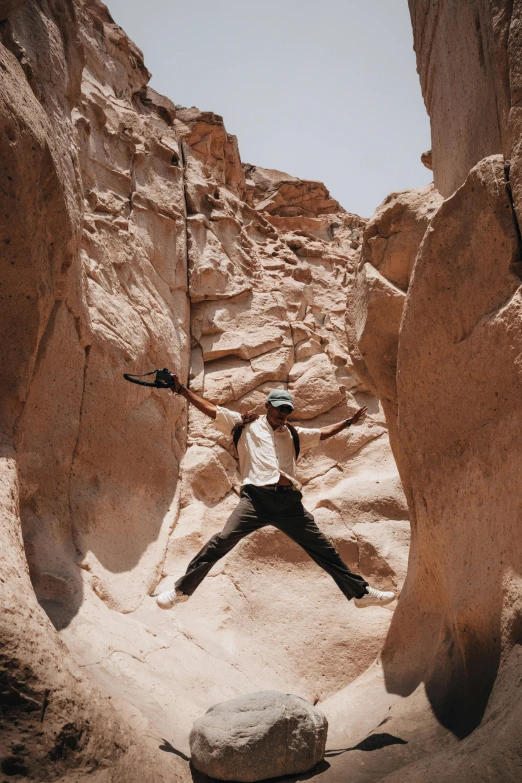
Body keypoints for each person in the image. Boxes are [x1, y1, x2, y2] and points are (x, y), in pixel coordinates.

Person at [155, 378, 395, 610]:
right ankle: (181, 591)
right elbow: (212, 410)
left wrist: (348, 423)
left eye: (287, 410)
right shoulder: (245, 424)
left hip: (289, 503)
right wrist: (181, 389)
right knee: (222, 540)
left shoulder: (291, 433)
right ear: (267, 406)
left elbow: (321, 433)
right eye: (279, 408)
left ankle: (361, 594)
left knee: (324, 548)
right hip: (256, 500)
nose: (283, 413)